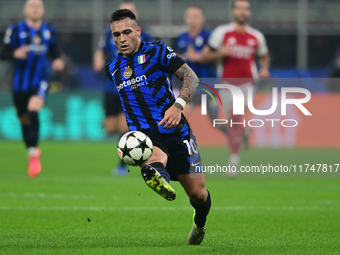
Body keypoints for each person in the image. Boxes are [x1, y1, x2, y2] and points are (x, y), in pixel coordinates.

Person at [106, 9, 211, 245]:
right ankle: (156, 176)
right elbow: (123, 98)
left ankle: (199, 223)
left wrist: (178, 105)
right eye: (116, 35)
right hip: (145, 135)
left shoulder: (158, 51)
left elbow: (191, 78)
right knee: (155, 156)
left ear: (137, 31)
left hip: (177, 131)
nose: (121, 38)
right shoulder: (112, 68)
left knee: (198, 194)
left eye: (126, 32)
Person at [201, 0, 270, 174]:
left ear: (249, 13)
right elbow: (206, 55)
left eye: (245, 9)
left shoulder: (256, 36)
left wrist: (264, 69)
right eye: (239, 8)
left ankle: (233, 162)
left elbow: (264, 55)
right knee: (232, 122)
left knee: (235, 116)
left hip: (248, 84)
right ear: (233, 11)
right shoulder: (222, 33)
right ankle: (244, 133)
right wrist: (220, 53)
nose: (242, 12)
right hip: (226, 85)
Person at [0, 0, 64, 178]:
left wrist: (58, 60)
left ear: (42, 10)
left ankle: (33, 154)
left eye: (38, 6)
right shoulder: (15, 29)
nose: (35, 9)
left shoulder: (49, 30)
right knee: (23, 118)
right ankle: (32, 152)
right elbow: (3, 52)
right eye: (32, 6)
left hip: (41, 80)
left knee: (33, 110)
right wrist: (14, 53)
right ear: (25, 10)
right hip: (19, 83)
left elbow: (55, 50)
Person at [93, 0, 152, 176]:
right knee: (110, 128)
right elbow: (101, 50)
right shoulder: (109, 34)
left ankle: (122, 165)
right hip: (111, 87)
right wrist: (98, 59)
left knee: (124, 128)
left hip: (131, 88)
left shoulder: (145, 36)